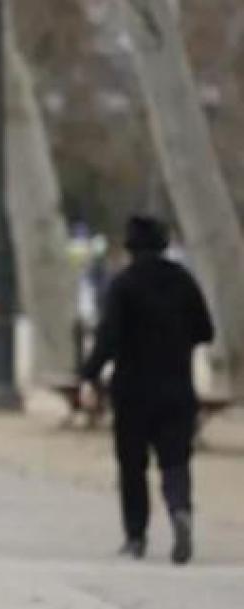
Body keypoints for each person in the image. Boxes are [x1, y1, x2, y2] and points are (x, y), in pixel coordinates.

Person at [80, 215, 214, 565]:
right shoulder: (184, 281)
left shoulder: (124, 284)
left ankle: (136, 536)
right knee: (175, 459)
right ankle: (180, 509)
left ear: (131, 247)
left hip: (132, 390)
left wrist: (88, 374)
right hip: (177, 387)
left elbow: (107, 339)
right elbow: (205, 331)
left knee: (132, 465)